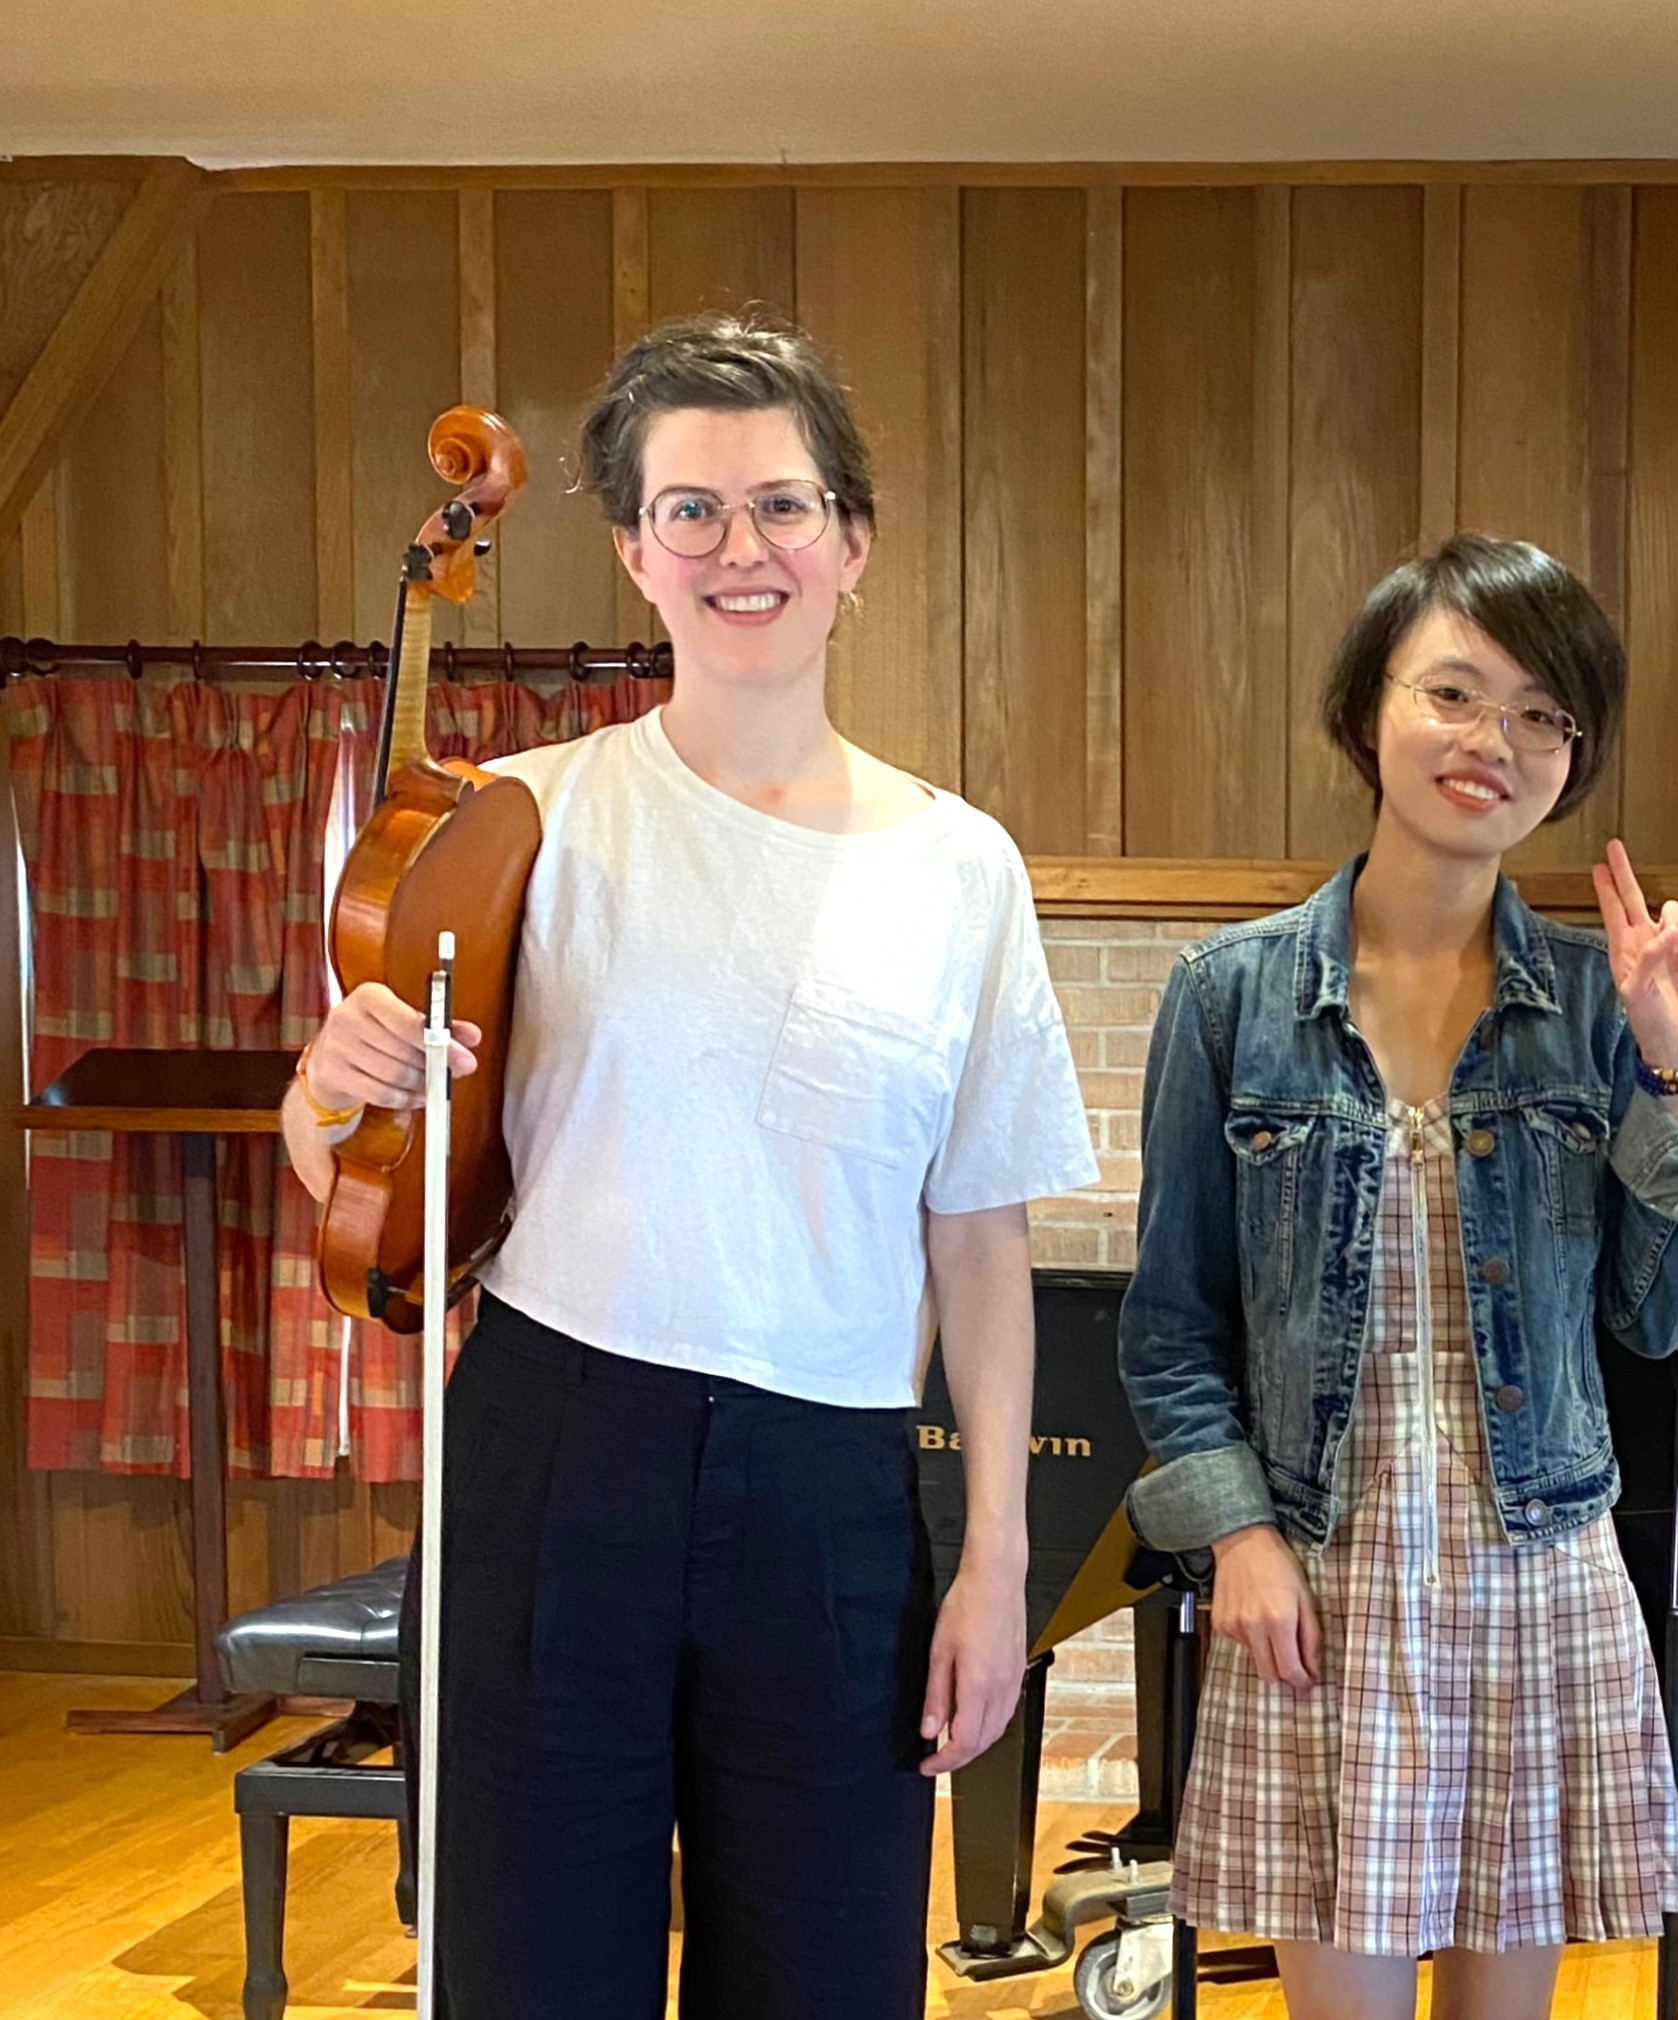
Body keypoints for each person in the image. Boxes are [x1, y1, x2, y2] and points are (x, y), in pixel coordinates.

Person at [281, 313, 1097, 2019]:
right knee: (526, 1976)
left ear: (851, 544)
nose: (743, 548)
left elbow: (978, 1242)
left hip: (832, 1488)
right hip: (553, 1447)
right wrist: (331, 1086)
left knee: (824, 1980)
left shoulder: (961, 869)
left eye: (783, 506)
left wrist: (996, 1559)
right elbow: (353, 1153)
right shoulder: (517, 818)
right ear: (635, 551)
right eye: (692, 511)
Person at [1116, 533, 1678, 2019]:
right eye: (1454, 694)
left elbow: (1650, 1320)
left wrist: (1673, 1079)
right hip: (1318, 1571)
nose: (1495, 741)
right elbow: (1170, 1325)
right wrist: (1237, 1536)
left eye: (1542, 715)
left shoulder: (1595, 1002)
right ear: (1368, 712)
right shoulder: (1228, 998)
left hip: (1532, 1566)